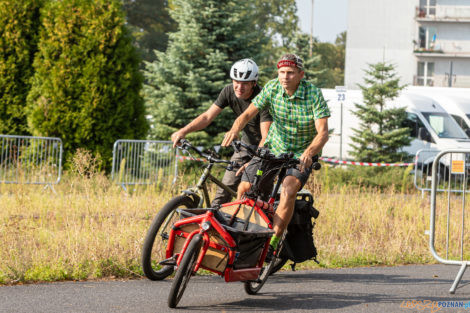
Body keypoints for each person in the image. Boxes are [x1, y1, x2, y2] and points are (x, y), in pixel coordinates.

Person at [221, 53, 330, 253]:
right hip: (274, 146)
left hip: (301, 152)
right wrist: (235, 129)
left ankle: (273, 243)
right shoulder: (272, 87)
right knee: (244, 188)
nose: (284, 77)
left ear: (300, 74)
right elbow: (246, 114)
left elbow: (323, 133)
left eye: (290, 73)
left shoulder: (313, 94)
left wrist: (309, 151)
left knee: (289, 189)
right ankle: (238, 236)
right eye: (281, 72)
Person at [171, 59, 272, 206]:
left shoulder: (262, 99)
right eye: (236, 81)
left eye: (245, 83)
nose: (239, 87)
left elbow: (266, 137)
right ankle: (211, 226)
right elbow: (207, 117)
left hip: (265, 149)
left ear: (254, 83)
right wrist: (183, 131)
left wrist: (253, 162)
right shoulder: (228, 91)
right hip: (245, 146)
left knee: (254, 194)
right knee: (224, 189)